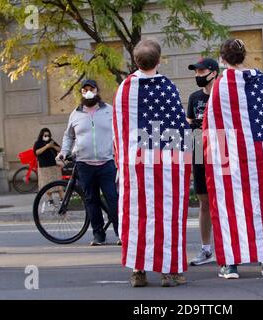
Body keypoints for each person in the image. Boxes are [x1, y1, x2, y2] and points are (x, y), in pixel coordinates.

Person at [203, 39, 263, 279]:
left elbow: (212, 124)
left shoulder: (221, 85)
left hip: (232, 158)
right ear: (244, 56)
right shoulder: (262, 80)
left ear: (222, 59)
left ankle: (231, 263)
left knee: (231, 207)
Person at [113, 38, 191, 288]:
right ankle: (170, 272)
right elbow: (179, 127)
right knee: (167, 214)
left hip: (135, 164)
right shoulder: (167, 87)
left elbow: (119, 130)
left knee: (137, 215)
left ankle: (139, 270)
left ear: (135, 61)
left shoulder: (125, 88)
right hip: (166, 163)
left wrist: (120, 161)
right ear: (159, 60)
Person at [57, 79, 121, 246]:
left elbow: (119, 132)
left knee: (113, 198)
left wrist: (118, 153)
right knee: (91, 201)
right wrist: (64, 152)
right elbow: (69, 136)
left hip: (107, 162)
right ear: (81, 93)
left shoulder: (109, 110)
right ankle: (99, 235)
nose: (88, 92)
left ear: (97, 90)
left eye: (91, 88)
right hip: (84, 164)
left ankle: (120, 233)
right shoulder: (76, 113)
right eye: (84, 89)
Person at [186, 58, 219, 266]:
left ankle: (231, 248)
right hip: (199, 149)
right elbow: (190, 124)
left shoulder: (222, 94)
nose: (198, 75)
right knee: (204, 200)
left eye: (202, 71)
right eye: (196, 71)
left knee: (225, 201)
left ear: (214, 72)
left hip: (221, 148)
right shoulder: (194, 97)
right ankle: (206, 249)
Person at [33, 128, 63, 205]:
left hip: (54, 166)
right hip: (44, 167)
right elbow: (36, 152)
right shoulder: (38, 143)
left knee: (59, 184)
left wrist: (52, 146)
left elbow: (60, 149)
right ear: (41, 135)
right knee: (47, 184)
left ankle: (62, 198)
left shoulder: (52, 141)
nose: (47, 136)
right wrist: (46, 146)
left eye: (48, 135)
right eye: (45, 135)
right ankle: (50, 200)